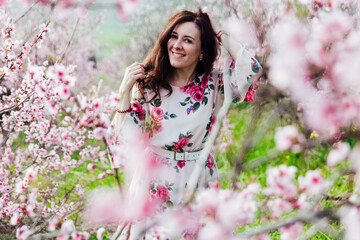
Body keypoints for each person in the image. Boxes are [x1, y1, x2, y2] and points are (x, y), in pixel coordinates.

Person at [108, 8, 262, 240]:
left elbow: (252, 70)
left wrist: (219, 33)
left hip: (199, 178)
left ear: (201, 52)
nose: (177, 45)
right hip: (153, 182)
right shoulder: (149, 85)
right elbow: (122, 147)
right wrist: (124, 92)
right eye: (174, 36)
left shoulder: (214, 84)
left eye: (188, 40)